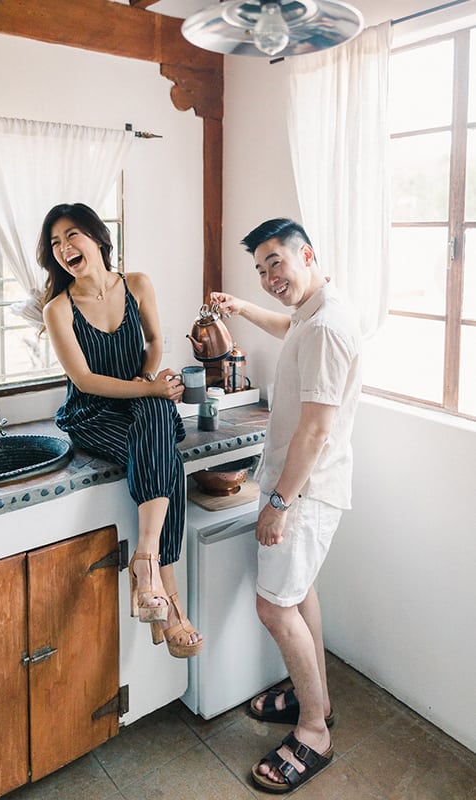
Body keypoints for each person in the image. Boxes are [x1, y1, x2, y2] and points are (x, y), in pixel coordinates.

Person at [211, 218, 361, 793]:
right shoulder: (318, 310)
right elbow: (288, 327)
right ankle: (311, 693)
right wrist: (243, 308)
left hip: (304, 490)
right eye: (261, 269)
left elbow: (316, 432)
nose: (270, 277)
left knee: (274, 609)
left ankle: (314, 731)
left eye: (277, 263)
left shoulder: (325, 327)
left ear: (307, 254)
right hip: (307, 486)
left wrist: (276, 502)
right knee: (298, 595)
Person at [37, 202, 202, 659]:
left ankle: (144, 562)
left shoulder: (138, 285)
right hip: (91, 415)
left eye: (72, 235)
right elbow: (85, 381)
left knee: (156, 434)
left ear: (97, 239)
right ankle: (167, 597)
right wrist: (148, 390)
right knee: (165, 455)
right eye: (55, 243)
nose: (64, 247)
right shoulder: (58, 310)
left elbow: (154, 342)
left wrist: (147, 381)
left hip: (138, 407)